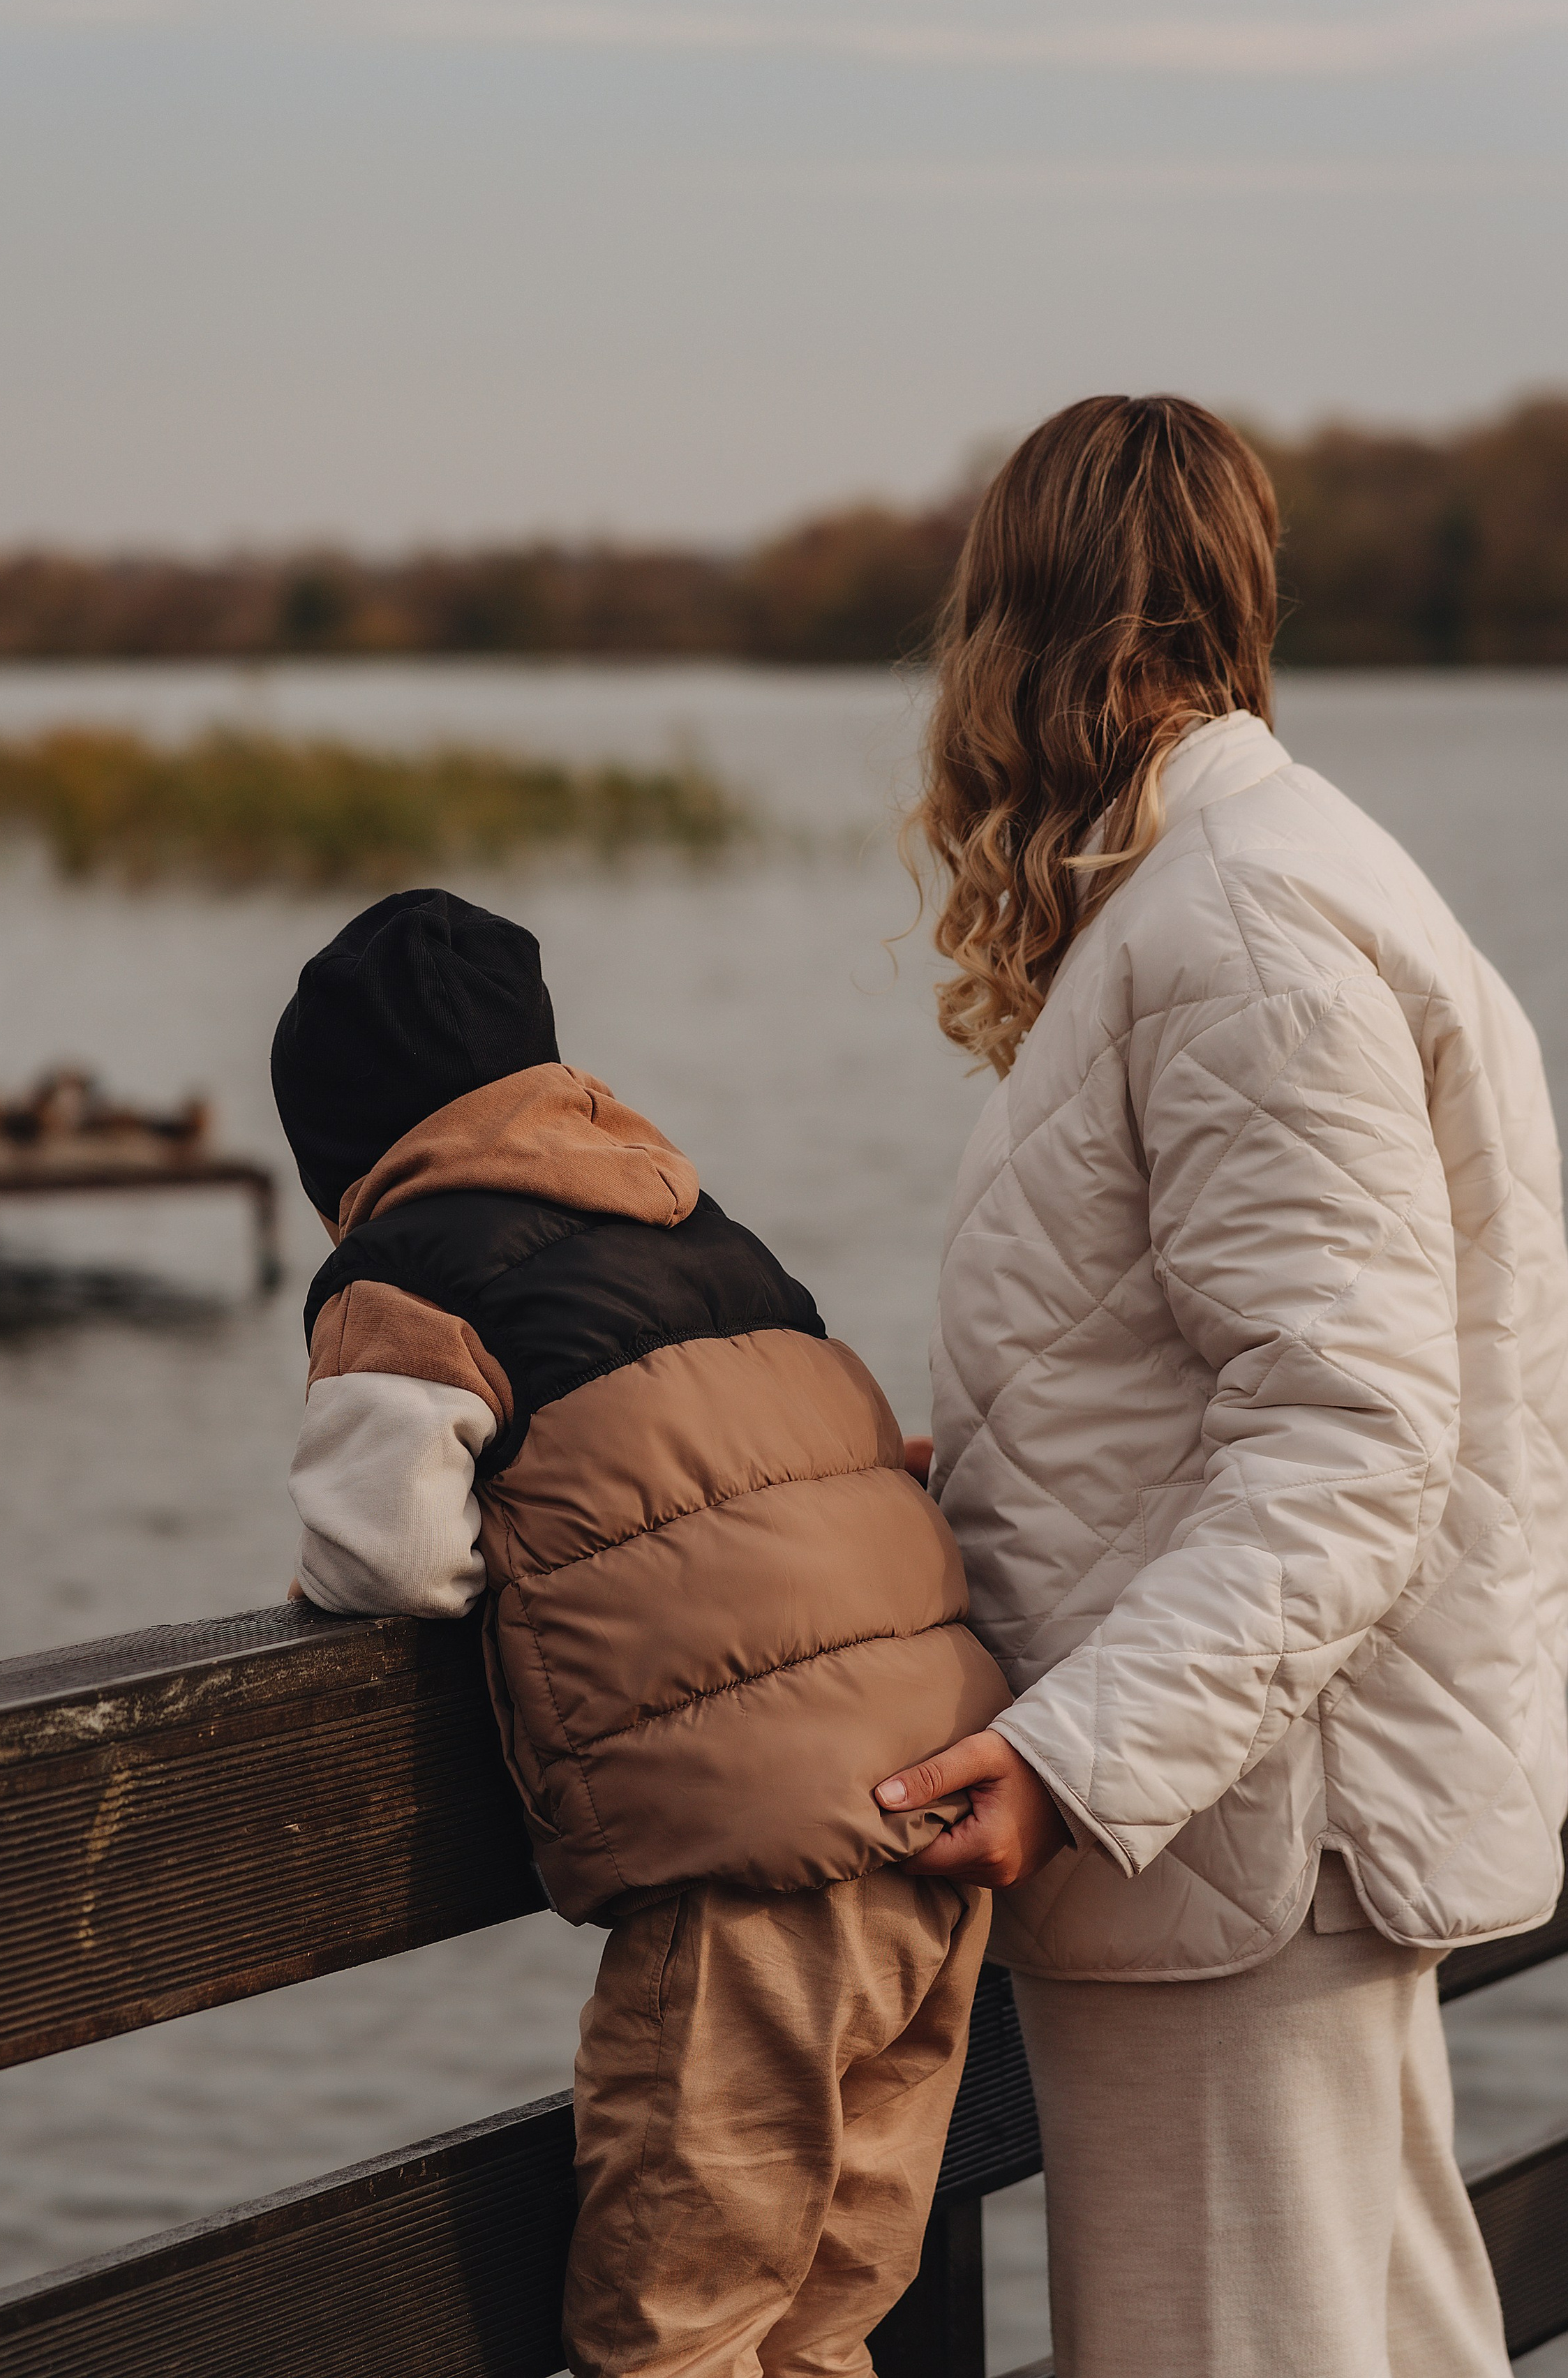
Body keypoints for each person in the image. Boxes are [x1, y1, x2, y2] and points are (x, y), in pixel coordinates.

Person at [870, 394, 1568, 2378]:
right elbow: (1239, 1363)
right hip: (1266, 1835)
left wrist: (1073, 1756)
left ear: (1022, 624)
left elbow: (1351, 1433)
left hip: (1241, 1846)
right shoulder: (1265, 875)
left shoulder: (1240, 917)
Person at [269, 888, 1010, 2378]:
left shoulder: (406, 1271)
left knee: (672, 2323)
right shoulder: (705, 1229)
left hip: (754, 1874)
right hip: (937, 1809)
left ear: (341, 1150)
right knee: (822, 2315)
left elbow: (383, 1557)